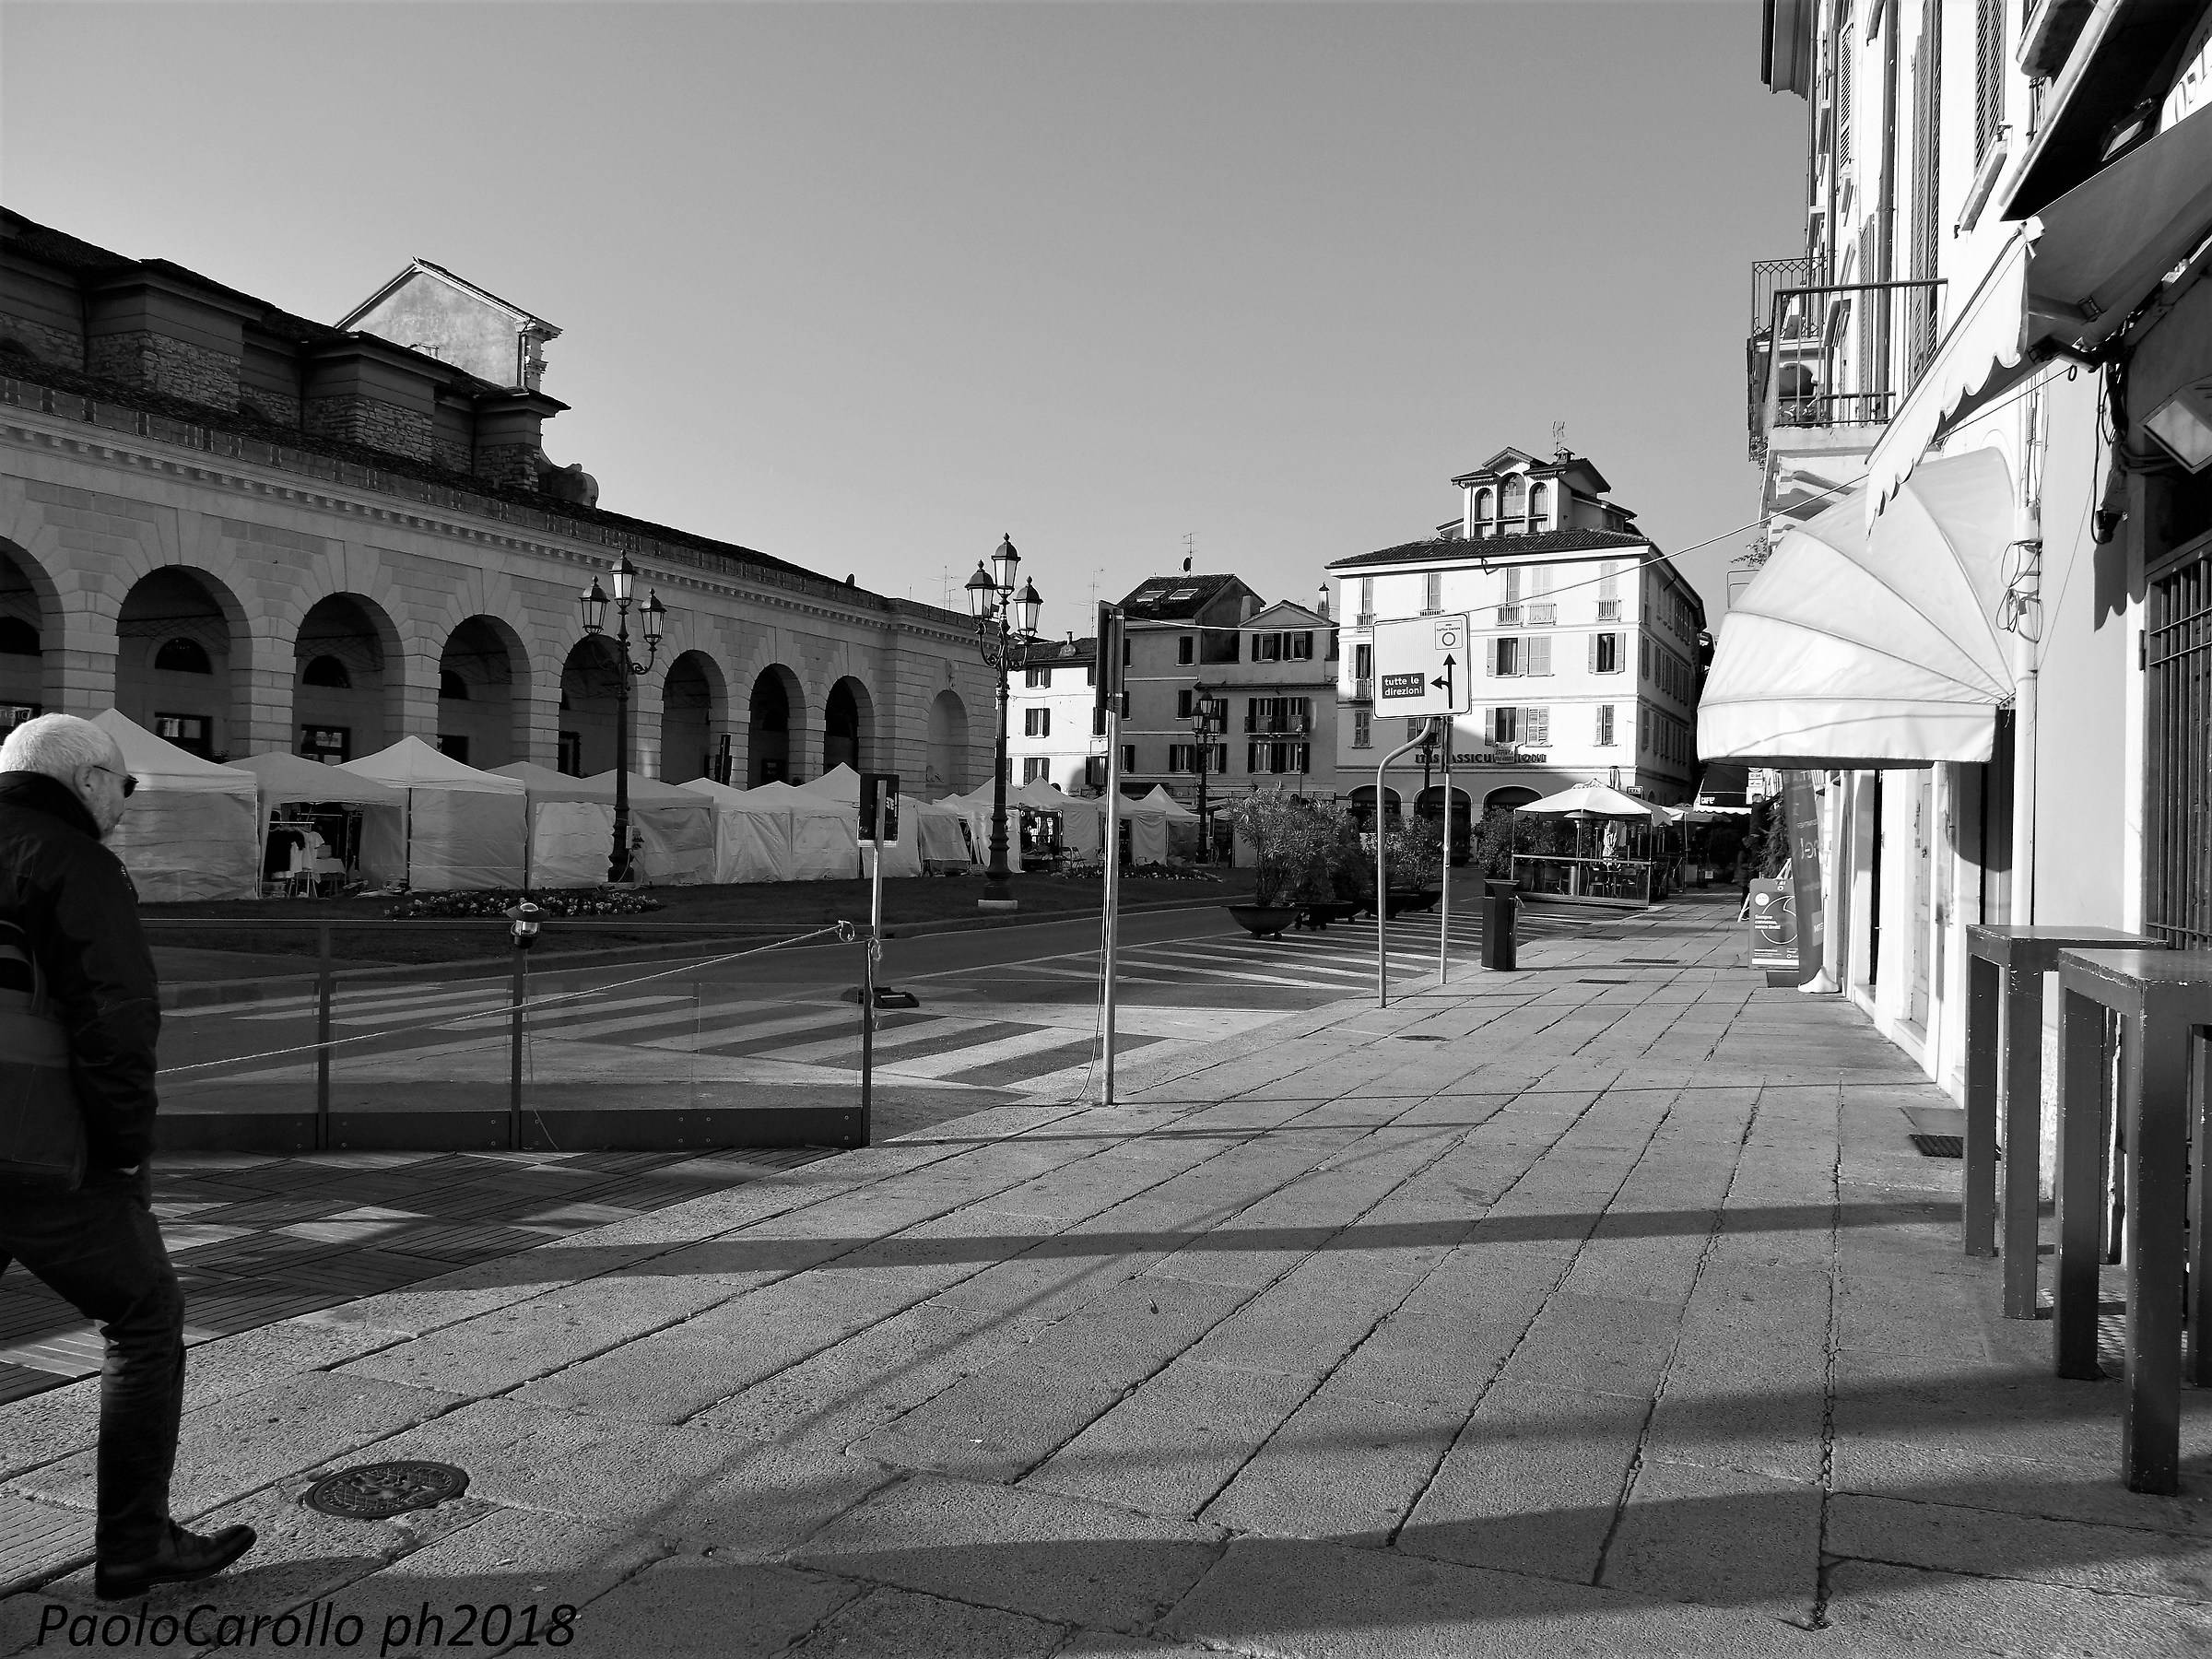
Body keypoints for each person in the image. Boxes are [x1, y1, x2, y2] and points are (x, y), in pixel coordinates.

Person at [0, 714, 256, 1600]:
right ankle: (134, 1542)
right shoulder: (72, 862)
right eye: (125, 788)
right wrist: (119, 1154)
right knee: (144, 1321)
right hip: (37, 1151)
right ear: (89, 780)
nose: (126, 806)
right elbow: (116, 1020)